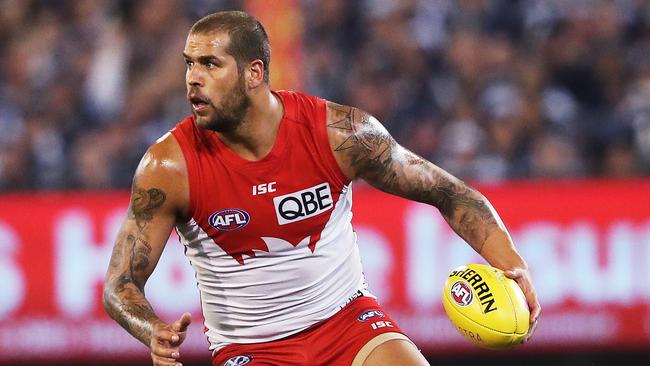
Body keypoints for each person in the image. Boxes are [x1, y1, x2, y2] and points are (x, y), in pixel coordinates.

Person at [103, 10, 540, 366]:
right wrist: (151, 331)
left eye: (210, 64)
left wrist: (512, 264)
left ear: (254, 73)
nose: (192, 79)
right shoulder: (168, 166)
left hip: (349, 323)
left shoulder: (339, 133)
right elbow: (120, 284)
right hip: (252, 351)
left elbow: (450, 193)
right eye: (189, 63)